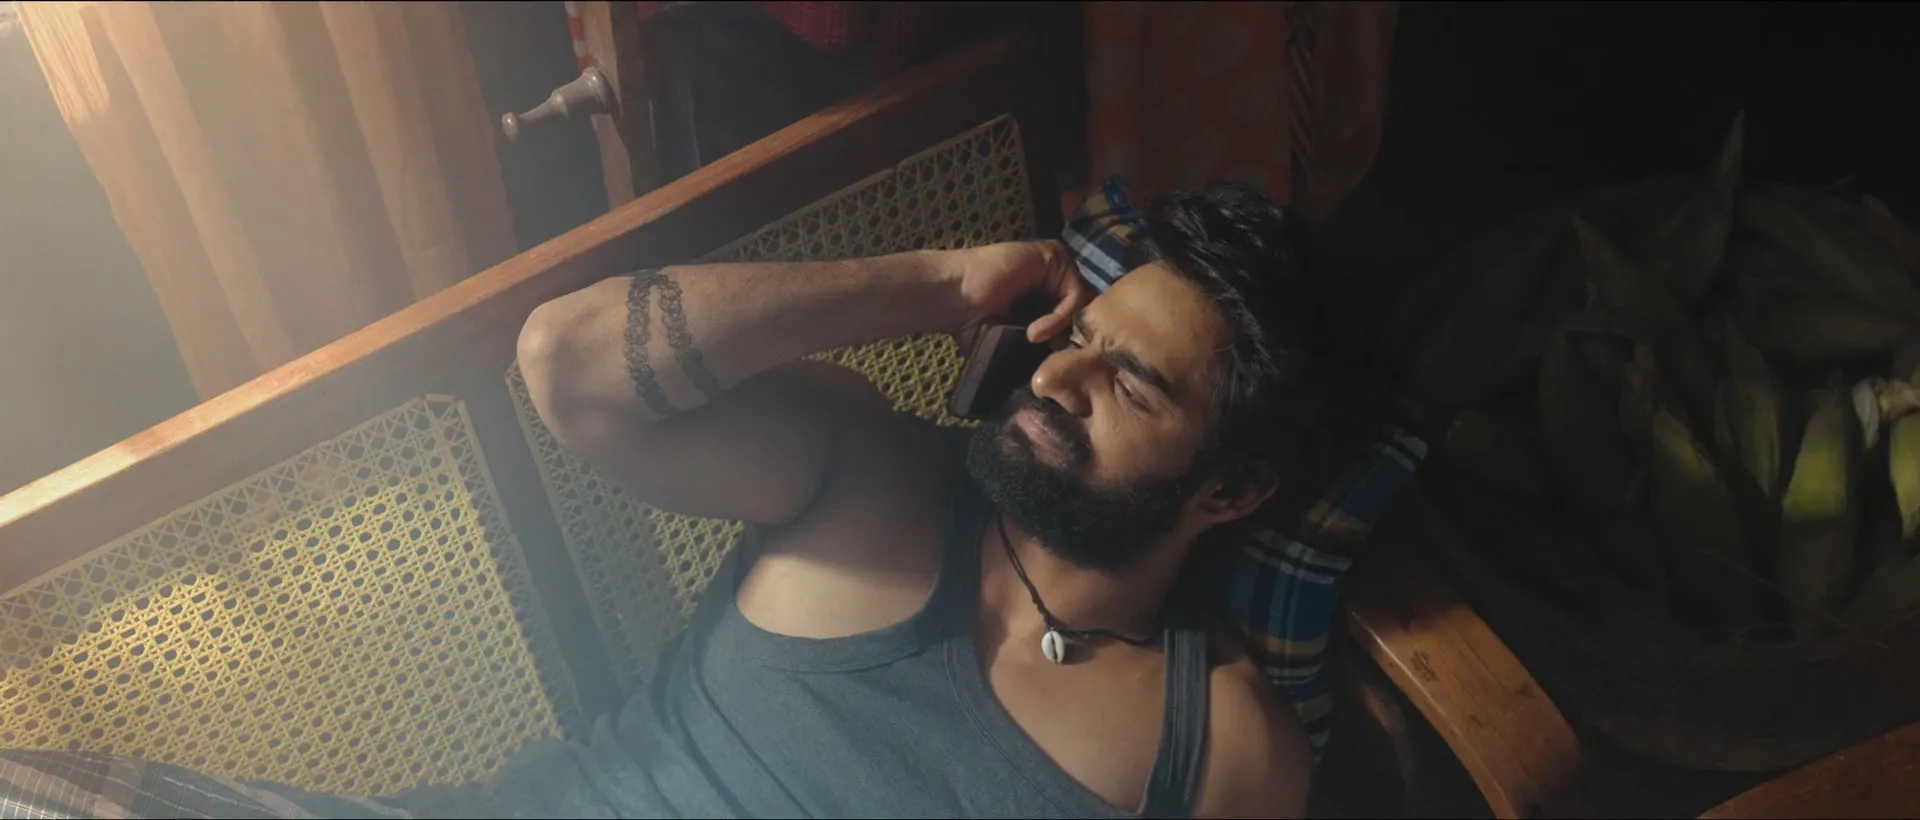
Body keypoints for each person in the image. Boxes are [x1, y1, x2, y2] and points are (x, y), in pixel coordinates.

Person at [0, 182, 1383, 819]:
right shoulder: (868, 468)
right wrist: (932, 283)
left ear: (1232, 486)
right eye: (1078, 335)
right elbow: (568, 365)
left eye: (1131, 383)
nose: (1059, 374)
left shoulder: (1220, 750)